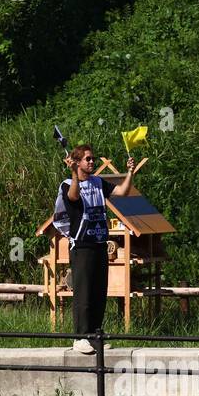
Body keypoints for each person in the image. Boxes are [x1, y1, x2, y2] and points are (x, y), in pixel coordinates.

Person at [52, 144, 137, 353]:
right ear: (78, 162)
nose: (92, 162)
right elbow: (73, 197)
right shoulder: (67, 184)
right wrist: (73, 173)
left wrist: (130, 173)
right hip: (82, 245)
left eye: (92, 159)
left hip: (100, 243)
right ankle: (80, 337)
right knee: (84, 292)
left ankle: (95, 334)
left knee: (99, 292)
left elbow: (122, 192)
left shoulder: (99, 182)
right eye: (88, 159)